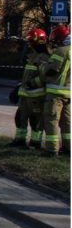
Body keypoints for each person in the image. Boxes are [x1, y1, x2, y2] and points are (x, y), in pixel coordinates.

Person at [9, 28, 49, 148]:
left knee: (36, 121)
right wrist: (19, 88)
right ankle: (19, 141)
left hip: (37, 95)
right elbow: (26, 75)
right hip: (26, 94)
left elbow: (44, 77)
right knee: (20, 117)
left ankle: (35, 143)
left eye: (31, 40)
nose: (29, 43)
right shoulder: (33, 55)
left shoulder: (44, 57)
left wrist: (32, 83)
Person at [41, 24, 70, 157]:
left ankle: (52, 150)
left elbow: (52, 70)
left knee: (51, 120)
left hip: (55, 93)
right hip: (69, 93)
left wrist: (44, 67)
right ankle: (68, 148)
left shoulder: (61, 51)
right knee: (67, 122)